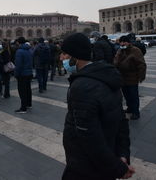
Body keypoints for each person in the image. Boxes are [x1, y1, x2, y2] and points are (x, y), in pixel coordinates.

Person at [60, 33, 133, 180]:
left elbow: (89, 137)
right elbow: (121, 121)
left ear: (75, 57)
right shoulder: (106, 76)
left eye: (65, 54)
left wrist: (118, 168)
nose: (62, 58)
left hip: (85, 166)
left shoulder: (81, 86)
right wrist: (123, 155)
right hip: (105, 159)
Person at [114, 36, 146, 120]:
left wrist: (141, 76)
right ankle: (130, 108)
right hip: (122, 77)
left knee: (133, 95)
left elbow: (141, 64)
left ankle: (136, 112)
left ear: (129, 42)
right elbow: (115, 62)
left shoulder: (135, 50)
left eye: (124, 42)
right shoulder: (120, 51)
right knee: (126, 95)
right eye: (121, 42)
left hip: (132, 77)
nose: (122, 43)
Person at [14, 37, 33, 113]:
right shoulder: (29, 50)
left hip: (22, 74)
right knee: (28, 89)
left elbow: (18, 65)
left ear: (18, 42)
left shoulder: (19, 51)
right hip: (29, 72)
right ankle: (29, 104)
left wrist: (16, 74)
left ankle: (23, 108)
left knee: (22, 91)